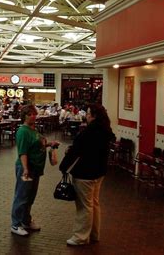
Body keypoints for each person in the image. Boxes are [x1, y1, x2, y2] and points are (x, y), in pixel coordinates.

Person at [58, 103, 115, 246]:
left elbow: (76, 151)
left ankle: (80, 236)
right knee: (94, 203)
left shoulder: (88, 132)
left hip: (85, 172)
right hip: (99, 171)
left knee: (84, 206)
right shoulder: (105, 131)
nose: (86, 116)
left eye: (88, 113)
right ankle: (94, 233)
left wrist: (64, 166)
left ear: (94, 116)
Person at [10, 104, 59, 236]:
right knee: (21, 196)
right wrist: (25, 168)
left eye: (34, 114)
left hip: (36, 168)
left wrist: (50, 144)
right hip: (27, 168)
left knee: (30, 196)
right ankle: (16, 224)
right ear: (24, 116)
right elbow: (23, 152)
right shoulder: (23, 132)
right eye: (30, 114)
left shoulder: (33, 130)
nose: (33, 116)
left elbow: (38, 144)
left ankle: (26, 220)